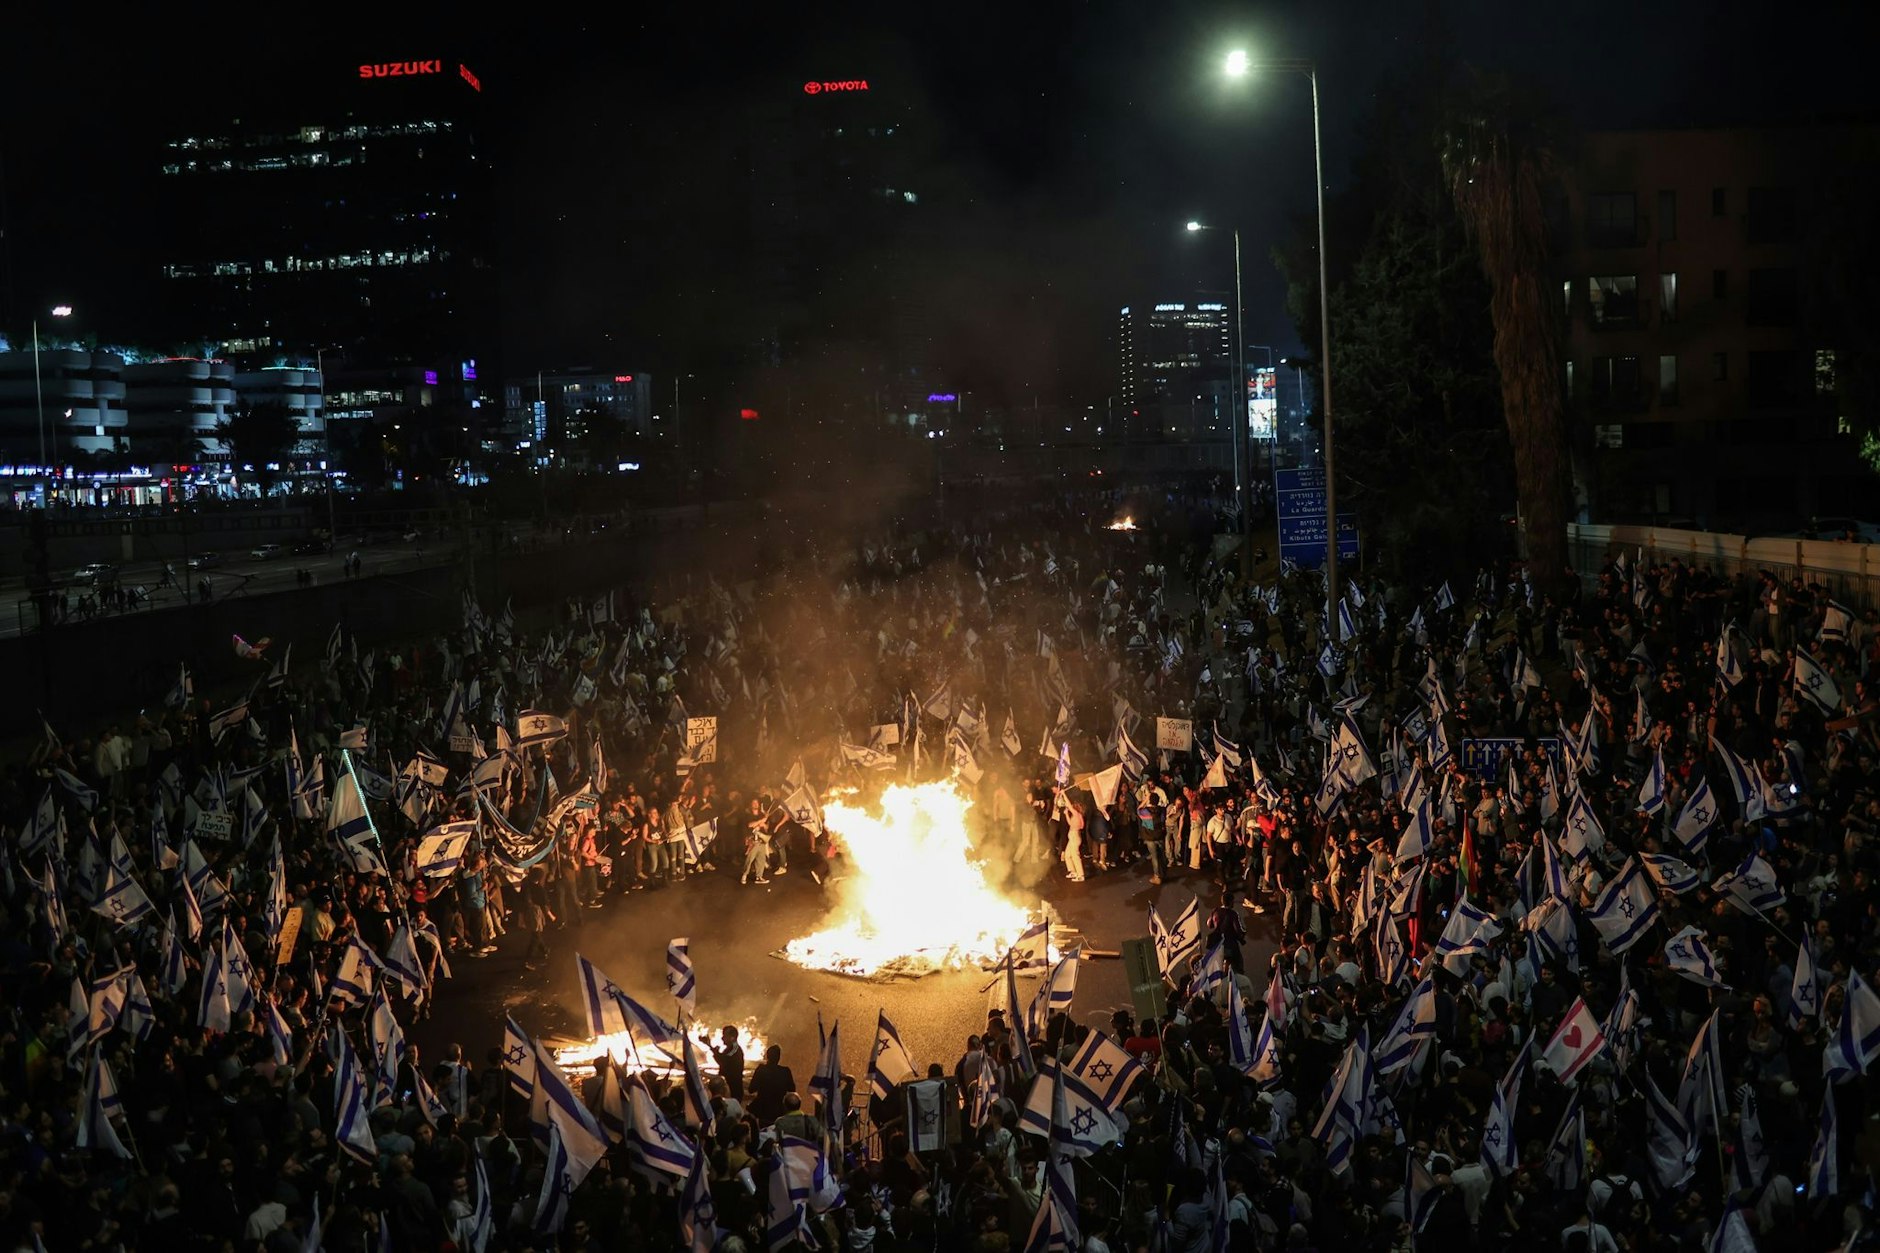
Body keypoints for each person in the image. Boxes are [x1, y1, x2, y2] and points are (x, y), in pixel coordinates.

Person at [748, 1044, 795, 1127]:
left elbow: (751, 1089)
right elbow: (792, 1089)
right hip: (779, 1111)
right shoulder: (785, 1071)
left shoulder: (761, 1070)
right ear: (779, 1057)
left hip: (763, 1110)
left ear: (767, 1056)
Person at [713, 1025, 747, 1101]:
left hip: (733, 1090)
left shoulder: (734, 1049)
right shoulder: (730, 1049)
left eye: (725, 1036)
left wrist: (712, 1049)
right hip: (729, 1089)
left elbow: (724, 1060)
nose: (722, 1038)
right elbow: (722, 1061)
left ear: (732, 1037)